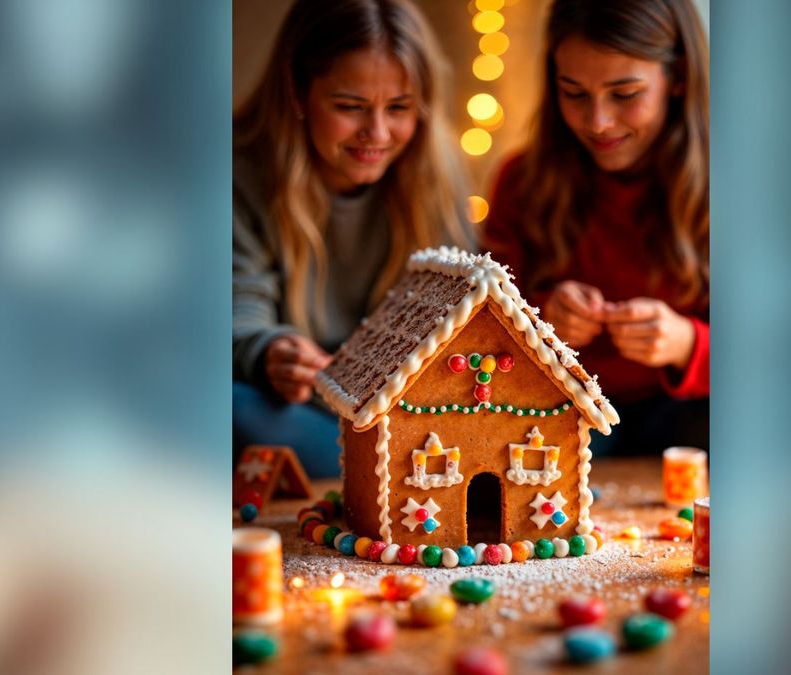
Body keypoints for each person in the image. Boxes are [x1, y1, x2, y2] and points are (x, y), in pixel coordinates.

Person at [233, 0, 472, 477]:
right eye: (349, 107)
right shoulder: (238, 175)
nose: (377, 133)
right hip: (296, 411)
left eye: (400, 108)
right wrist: (271, 350)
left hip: (410, 423)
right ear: (297, 93)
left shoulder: (436, 174)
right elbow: (237, 306)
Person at [483, 0, 709, 453]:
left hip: (691, 413)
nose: (598, 122)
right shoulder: (523, 181)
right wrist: (541, 319)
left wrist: (689, 344)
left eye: (625, 95)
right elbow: (484, 334)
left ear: (678, 79)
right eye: (574, 93)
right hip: (563, 410)